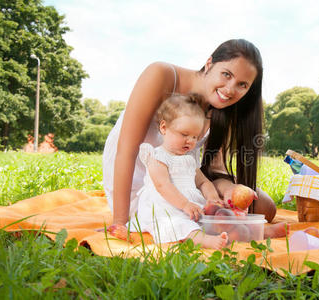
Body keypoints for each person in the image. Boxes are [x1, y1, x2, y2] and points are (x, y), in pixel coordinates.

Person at [103, 39, 285, 239]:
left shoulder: (223, 108)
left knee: (265, 207)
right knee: (188, 217)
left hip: (184, 180)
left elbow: (214, 169)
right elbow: (126, 150)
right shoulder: (161, 75)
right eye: (226, 74)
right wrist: (120, 222)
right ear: (209, 64)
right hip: (142, 185)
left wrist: (228, 190)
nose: (230, 89)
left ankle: (242, 227)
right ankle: (229, 228)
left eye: (242, 85)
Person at [128, 93, 228, 249]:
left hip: (188, 207)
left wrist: (212, 197)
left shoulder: (189, 159)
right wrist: (185, 204)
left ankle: (258, 232)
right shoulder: (157, 156)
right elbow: (163, 186)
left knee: (213, 220)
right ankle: (206, 241)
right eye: (184, 134)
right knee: (179, 224)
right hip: (165, 208)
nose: (190, 141)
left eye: (195, 136)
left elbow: (202, 182)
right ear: (164, 128)